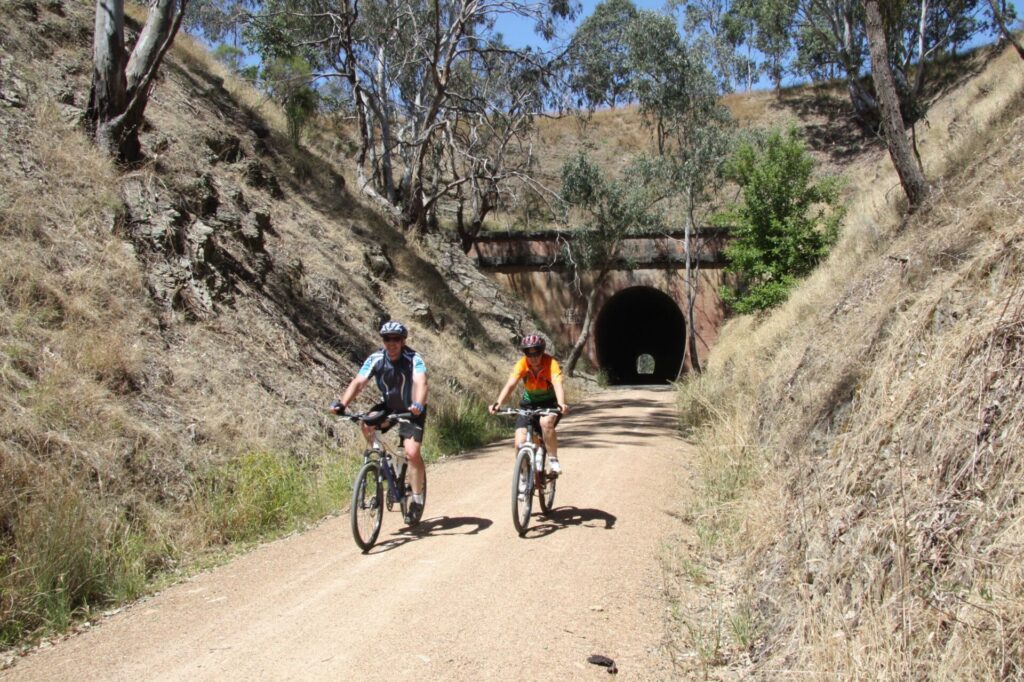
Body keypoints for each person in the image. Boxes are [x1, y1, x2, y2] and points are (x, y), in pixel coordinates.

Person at [330, 320, 428, 523]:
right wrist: (342, 404)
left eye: (396, 339)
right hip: (389, 405)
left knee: (412, 452)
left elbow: (421, 381)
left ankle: (417, 499)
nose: (391, 343)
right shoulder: (376, 358)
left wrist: (418, 403)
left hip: (412, 408)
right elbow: (359, 382)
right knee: (366, 423)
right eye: (386, 339)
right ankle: (383, 458)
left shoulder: (413, 358)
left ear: (403, 341)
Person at [488, 334, 570, 473]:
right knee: (519, 443)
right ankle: (524, 479)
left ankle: (553, 459)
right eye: (528, 353)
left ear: (542, 351)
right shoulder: (522, 364)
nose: (533, 357)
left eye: (537, 352)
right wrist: (498, 403)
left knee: (545, 423)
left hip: (549, 403)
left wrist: (561, 404)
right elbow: (510, 385)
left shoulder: (551, 364)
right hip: (528, 403)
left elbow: (557, 385)